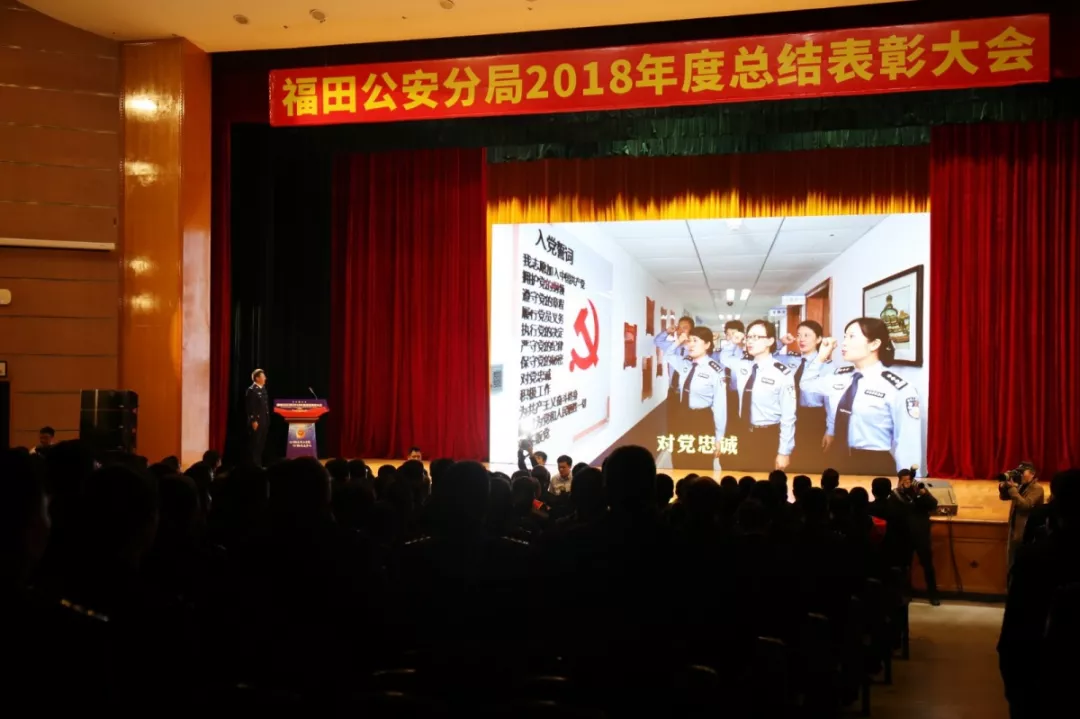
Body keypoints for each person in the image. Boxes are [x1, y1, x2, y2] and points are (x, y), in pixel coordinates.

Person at [802, 318, 921, 477]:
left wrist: (907, 482)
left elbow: (907, 442)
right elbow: (806, 385)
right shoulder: (840, 376)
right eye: (845, 337)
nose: (844, 343)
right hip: (837, 460)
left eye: (851, 337)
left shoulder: (897, 388)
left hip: (873, 463)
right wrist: (821, 357)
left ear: (874, 344)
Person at [717, 319, 796, 471]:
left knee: (763, 481)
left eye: (756, 337)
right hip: (741, 431)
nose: (750, 341)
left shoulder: (782, 373)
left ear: (770, 341)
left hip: (767, 435)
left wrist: (784, 451)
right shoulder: (743, 365)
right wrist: (733, 342)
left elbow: (788, 416)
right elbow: (724, 358)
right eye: (749, 337)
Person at [663, 326, 727, 470]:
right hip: (681, 417)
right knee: (679, 461)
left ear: (707, 344)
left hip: (702, 420)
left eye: (695, 341)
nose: (690, 345)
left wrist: (719, 437)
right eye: (689, 341)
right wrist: (679, 341)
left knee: (701, 464)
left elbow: (720, 406)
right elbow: (668, 355)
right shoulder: (685, 363)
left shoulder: (715, 370)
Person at [776, 321, 829, 471]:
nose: (801, 339)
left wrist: (830, 430)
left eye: (807, 335)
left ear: (818, 339)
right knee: (787, 459)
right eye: (799, 335)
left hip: (813, 418)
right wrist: (781, 343)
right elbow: (766, 357)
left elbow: (831, 401)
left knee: (809, 460)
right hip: (787, 414)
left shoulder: (826, 365)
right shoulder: (790, 360)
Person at [894, 469, 940, 605]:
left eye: (909, 480)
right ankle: (905, 594)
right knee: (904, 567)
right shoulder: (896, 495)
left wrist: (922, 494)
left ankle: (933, 594)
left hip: (921, 535)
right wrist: (905, 492)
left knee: (928, 566)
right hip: (905, 535)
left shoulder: (919, 491)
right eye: (904, 481)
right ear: (899, 481)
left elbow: (933, 504)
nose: (908, 483)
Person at [999, 462, 1045, 571]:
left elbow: (1025, 505)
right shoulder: (1020, 485)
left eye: (1022, 472)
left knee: (1022, 565)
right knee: (1011, 563)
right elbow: (1003, 497)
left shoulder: (1037, 488)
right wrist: (1004, 486)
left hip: (1027, 531)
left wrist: (1012, 489)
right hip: (1015, 529)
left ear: (1032, 474)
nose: (1020, 475)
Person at [655, 315, 695, 433]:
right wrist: (667, 331)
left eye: (685, 328)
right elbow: (657, 341)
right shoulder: (671, 345)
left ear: (692, 330)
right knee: (672, 423)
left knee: (689, 425)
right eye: (679, 327)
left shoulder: (695, 348)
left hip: (690, 393)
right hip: (673, 390)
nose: (681, 330)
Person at [714, 320, 746, 442]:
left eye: (734, 334)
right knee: (725, 421)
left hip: (741, 394)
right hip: (724, 393)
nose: (731, 337)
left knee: (740, 422)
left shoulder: (747, 352)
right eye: (728, 334)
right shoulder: (722, 353)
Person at [245, 370, 269, 467]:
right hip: (257, 421)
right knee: (255, 445)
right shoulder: (251, 390)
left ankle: (259, 465)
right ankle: (254, 466)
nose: (265, 378)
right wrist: (253, 420)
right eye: (263, 377)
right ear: (257, 378)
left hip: (264, 420)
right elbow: (250, 407)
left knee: (261, 445)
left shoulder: (263, 389)